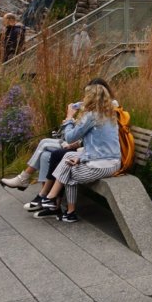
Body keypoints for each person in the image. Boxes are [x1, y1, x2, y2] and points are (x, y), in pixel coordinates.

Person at [35, 81, 123, 223]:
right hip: (113, 162)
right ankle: (68, 212)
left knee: (69, 171)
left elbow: (70, 138)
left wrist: (69, 118)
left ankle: (51, 198)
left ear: (90, 98)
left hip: (102, 165)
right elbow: (99, 145)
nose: (84, 98)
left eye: (86, 95)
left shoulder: (92, 116)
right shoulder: (110, 113)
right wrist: (81, 157)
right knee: (69, 158)